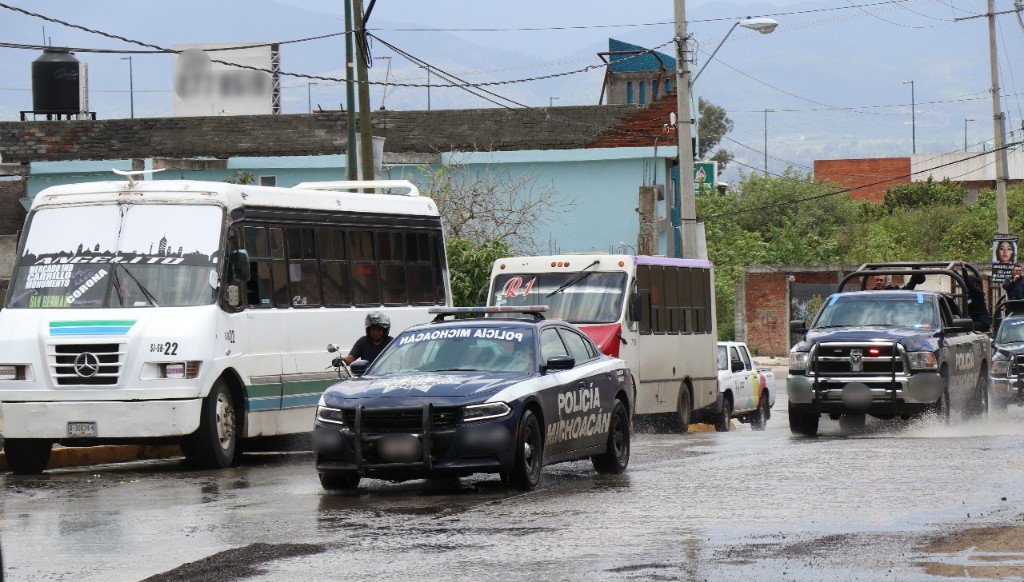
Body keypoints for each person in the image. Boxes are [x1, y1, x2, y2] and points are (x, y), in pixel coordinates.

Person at [960, 262, 991, 332]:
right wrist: (954, 271)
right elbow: (961, 281)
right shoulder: (968, 294)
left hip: (982, 322)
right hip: (973, 320)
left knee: (966, 329)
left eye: (966, 285)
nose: (965, 286)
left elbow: (968, 283)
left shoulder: (978, 293)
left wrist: (963, 268)